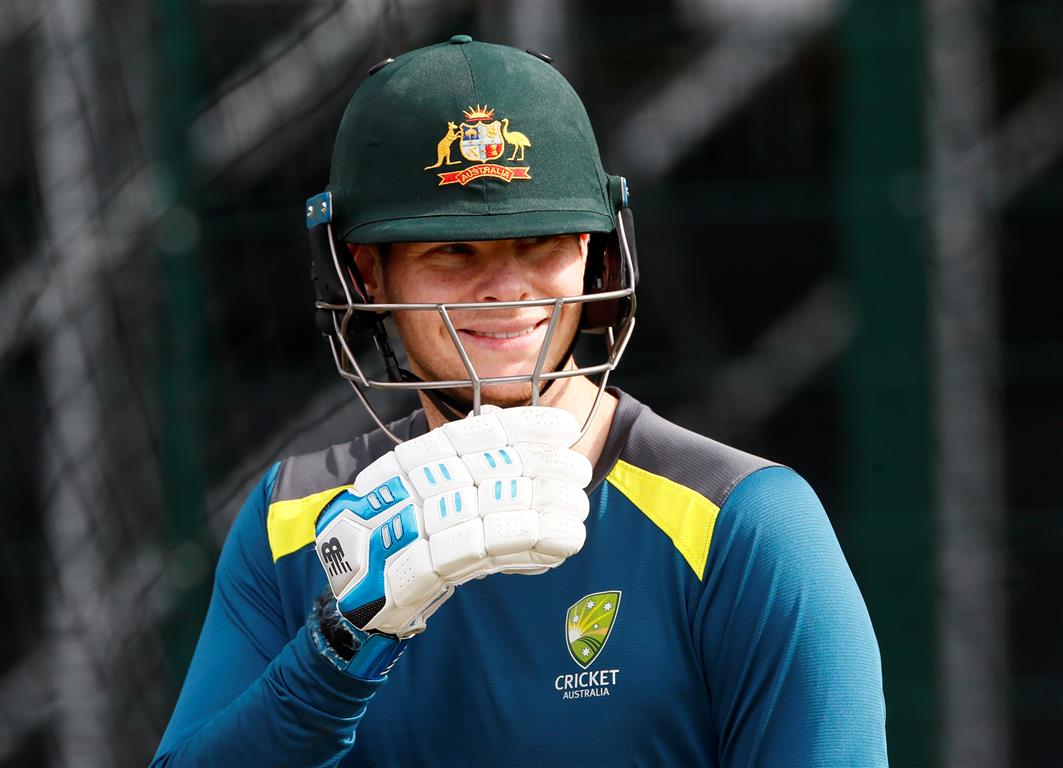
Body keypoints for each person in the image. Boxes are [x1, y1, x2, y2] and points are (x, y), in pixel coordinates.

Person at [152, 36, 887, 767]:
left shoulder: (743, 525)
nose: (505, 291)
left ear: (597, 254)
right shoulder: (296, 523)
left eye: (539, 243)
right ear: (366, 274)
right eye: (452, 251)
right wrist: (340, 647)